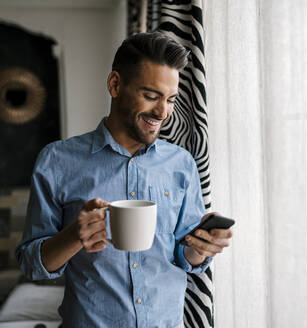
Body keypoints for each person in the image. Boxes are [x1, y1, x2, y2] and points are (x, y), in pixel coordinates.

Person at [15, 32, 233, 328]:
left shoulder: (181, 164)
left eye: (170, 99)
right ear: (115, 84)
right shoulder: (57, 161)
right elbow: (32, 265)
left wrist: (201, 248)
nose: (162, 112)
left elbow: (184, 255)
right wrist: (73, 235)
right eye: (151, 95)